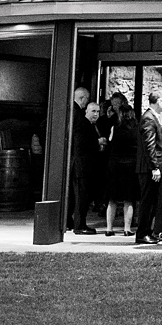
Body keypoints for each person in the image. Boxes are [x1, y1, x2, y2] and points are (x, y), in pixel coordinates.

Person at [103, 93, 139, 239]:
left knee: (112, 199)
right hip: (130, 166)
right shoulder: (136, 130)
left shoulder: (114, 128)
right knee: (128, 199)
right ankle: (126, 228)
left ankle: (109, 228)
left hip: (114, 165)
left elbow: (110, 142)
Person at [134, 97, 162, 243]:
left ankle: (148, 231)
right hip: (148, 168)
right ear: (158, 101)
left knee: (152, 202)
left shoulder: (152, 117)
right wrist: (155, 167)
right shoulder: (149, 118)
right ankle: (142, 233)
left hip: (149, 167)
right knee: (147, 202)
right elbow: (149, 145)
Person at [66, 85, 97, 233]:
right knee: (81, 196)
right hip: (81, 163)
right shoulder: (79, 116)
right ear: (83, 98)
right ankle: (80, 225)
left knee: (73, 195)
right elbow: (80, 141)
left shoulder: (70, 111)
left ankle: (69, 221)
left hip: (74, 161)